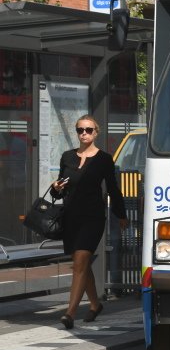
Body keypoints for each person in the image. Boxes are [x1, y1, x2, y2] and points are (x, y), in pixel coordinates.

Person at [50, 115, 128, 329]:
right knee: (81, 264)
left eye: (88, 130)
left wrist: (121, 215)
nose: (84, 133)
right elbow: (61, 191)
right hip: (71, 217)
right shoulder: (67, 157)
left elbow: (113, 189)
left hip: (93, 217)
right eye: (80, 130)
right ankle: (95, 304)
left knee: (80, 263)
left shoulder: (104, 159)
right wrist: (57, 189)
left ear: (96, 132)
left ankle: (70, 313)